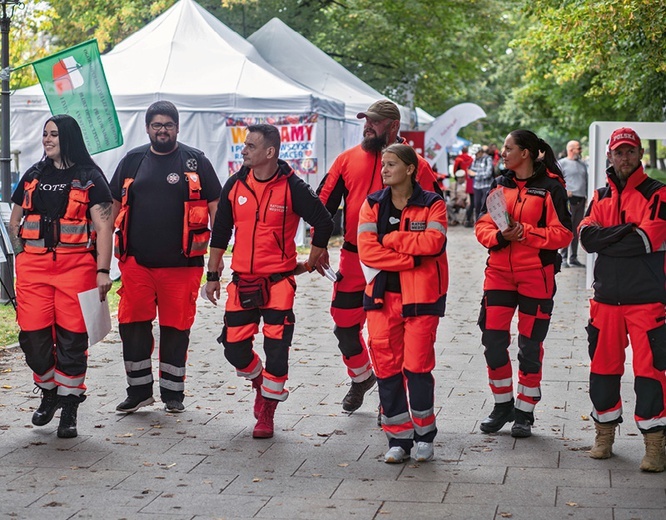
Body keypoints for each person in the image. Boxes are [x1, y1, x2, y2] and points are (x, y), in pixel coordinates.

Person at [205, 124, 333, 439]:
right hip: (243, 282)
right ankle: (260, 383)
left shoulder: (293, 187)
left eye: (250, 146)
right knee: (234, 348)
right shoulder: (234, 185)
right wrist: (212, 274)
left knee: (277, 349)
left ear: (269, 152)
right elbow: (220, 231)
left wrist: (314, 257)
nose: (243, 150)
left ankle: (267, 411)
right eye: (244, 145)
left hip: (279, 284)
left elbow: (324, 221)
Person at [315, 100, 441, 414]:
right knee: (343, 325)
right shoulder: (347, 159)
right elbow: (322, 207)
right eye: (366, 121)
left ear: (393, 125)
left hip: (398, 265)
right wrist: (317, 246)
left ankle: (392, 405)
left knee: (390, 334)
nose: (367, 126)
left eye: (374, 121)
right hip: (353, 258)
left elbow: (436, 209)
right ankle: (361, 377)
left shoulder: (417, 165)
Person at [110, 101, 221, 414]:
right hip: (136, 263)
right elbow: (112, 208)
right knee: (132, 325)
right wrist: (98, 255)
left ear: (177, 127)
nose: (162, 130)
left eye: (168, 125)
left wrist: (217, 257)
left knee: (176, 328)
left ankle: (173, 394)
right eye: (156, 125)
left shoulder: (195, 161)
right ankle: (139, 391)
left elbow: (216, 207)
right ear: (147, 128)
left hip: (182, 265)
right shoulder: (132, 161)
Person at [8, 114, 113, 438]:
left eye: (54, 134)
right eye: (45, 134)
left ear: (68, 138)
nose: (47, 140)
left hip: (75, 269)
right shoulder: (33, 175)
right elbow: (14, 222)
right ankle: (49, 390)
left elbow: (104, 227)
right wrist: (23, 254)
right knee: (33, 339)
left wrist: (102, 271)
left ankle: (69, 405)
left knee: (71, 340)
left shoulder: (90, 177)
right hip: (34, 270)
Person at [579, 127, 666, 472]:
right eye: (619, 152)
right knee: (602, 372)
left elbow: (646, 240)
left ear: (640, 154)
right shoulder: (599, 196)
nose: (625, 157)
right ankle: (604, 435)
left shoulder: (658, 193)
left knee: (651, 374)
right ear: (610, 155)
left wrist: (608, 238)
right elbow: (585, 238)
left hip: (647, 302)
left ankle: (655, 444)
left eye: (630, 151)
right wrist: (625, 231)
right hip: (605, 302)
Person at [475, 129, 572, 438]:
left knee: (530, 347)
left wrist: (527, 233)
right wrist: (499, 237)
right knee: (493, 342)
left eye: (508, 148)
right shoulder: (498, 185)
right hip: (499, 275)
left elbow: (565, 234)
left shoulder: (551, 187)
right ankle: (502, 404)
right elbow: (482, 225)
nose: (503, 153)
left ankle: (525, 411)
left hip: (536, 278)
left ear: (525, 153)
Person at [357, 144, 448, 463]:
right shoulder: (372, 205)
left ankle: (424, 436)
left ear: (410, 169)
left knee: (418, 367)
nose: (383, 169)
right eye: (383, 164)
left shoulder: (433, 204)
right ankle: (398, 439)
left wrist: (392, 240)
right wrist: (411, 259)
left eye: (391, 164)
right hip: (382, 298)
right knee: (387, 369)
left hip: (422, 298)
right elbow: (367, 252)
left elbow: (434, 243)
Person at [558, 140, 588, 268]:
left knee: (576, 229)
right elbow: (556, 181)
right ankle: (563, 258)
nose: (580, 150)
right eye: (578, 148)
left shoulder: (582, 164)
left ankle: (573, 257)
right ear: (571, 149)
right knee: (566, 229)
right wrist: (564, 192)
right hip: (568, 200)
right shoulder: (562, 163)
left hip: (581, 200)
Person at [469, 145, 494, 224]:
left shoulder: (488, 159)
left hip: (486, 186)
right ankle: (478, 224)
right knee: (477, 205)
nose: (475, 156)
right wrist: (470, 173)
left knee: (485, 205)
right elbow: (471, 172)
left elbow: (488, 174)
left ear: (480, 152)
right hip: (477, 186)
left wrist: (475, 174)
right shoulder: (474, 160)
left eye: (476, 154)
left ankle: (487, 223)